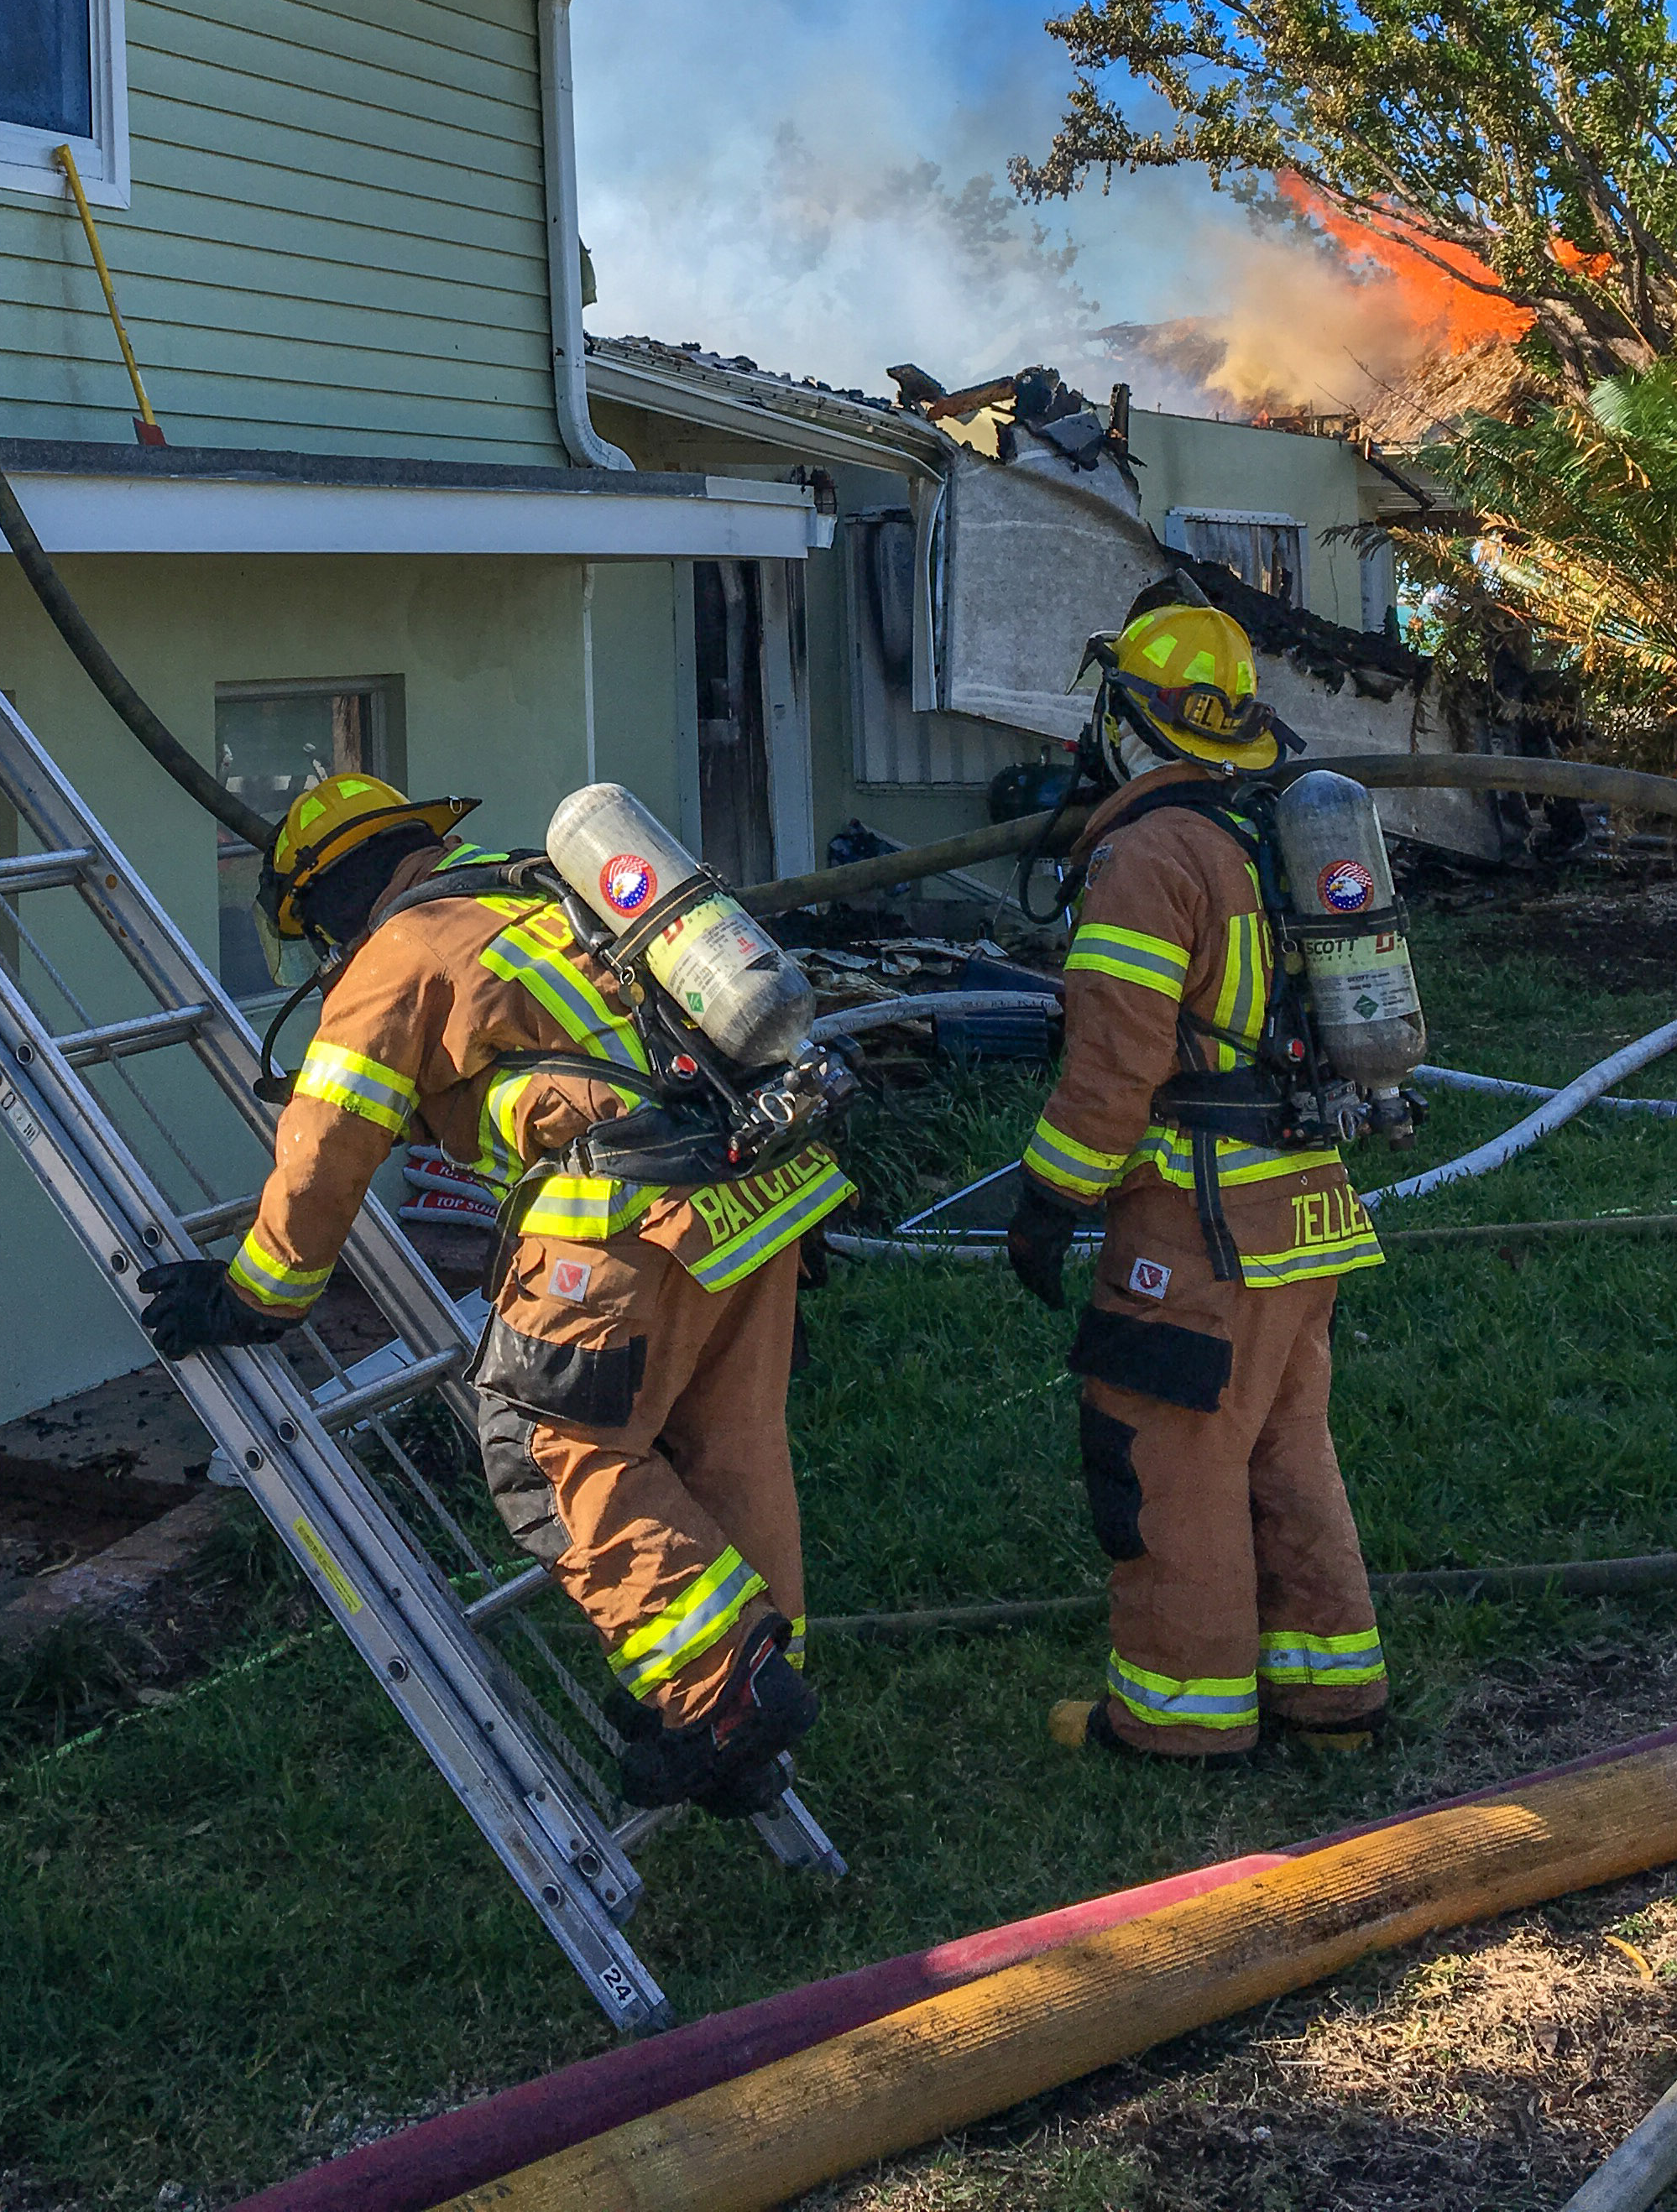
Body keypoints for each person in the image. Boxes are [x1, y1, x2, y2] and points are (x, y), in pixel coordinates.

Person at [142, 770, 853, 1818]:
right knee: (726, 1443)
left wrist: (255, 1296)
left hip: (620, 1216)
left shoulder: (399, 956)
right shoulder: (541, 896)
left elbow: (327, 1147)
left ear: (332, 902)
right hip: (758, 1200)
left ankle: (724, 1692)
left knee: (551, 1450)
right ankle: (734, 1700)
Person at [1006, 593, 1388, 1762]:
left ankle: (1180, 1721)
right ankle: (1333, 1700)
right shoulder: (1270, 831)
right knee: (1287, 1452)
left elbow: (1119, 1066)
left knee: (1167, 1462)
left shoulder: (1152, 854)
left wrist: (1051, 1198)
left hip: (1197, 1231)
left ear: (1130, 719)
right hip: (1308, 1209)